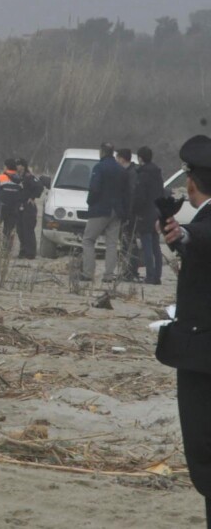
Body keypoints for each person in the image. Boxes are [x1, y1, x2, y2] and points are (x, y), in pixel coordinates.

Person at [161, 134, 211, 526]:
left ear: (192, 183)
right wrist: (183, 241)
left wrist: (187, 235)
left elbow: (205, 237)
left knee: (204, 452)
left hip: (203, 358)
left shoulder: (205, 224)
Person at [81, 142, 127, 282]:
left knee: (88, 240)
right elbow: (126, 192)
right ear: (112, 152)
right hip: (117, 211)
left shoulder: (99, 167)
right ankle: (108, 275)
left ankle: (88, 273)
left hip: (101, 209)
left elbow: (94, 188)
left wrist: (90, 202)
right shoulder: (121, 169)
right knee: (112, 244)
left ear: (102, 152)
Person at [134, 145, 164, 284]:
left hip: (146, 212)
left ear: (140, 158)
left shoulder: (143, 174)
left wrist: (136, 211)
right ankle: (157, 276)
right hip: (157, 211)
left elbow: (140, 197)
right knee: (156, 245)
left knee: (147, 246)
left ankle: (150, 276)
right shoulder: (158, 173)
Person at [115, 148, 141, 280]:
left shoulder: (131, 174)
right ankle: (129, 270)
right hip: (131, 212)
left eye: (117, 158)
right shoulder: (132, 171)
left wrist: (128, 216)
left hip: (130, 214)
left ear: (122, 159)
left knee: (129, 242)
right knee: (128, 242)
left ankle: (130, 271)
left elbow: (131, 196)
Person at [16, 158, 43, 259]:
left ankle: (30, 253)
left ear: (23, 166)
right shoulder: (18, 177)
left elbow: (39, 186)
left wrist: (32, 197)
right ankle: (23, 250)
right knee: (20, 230)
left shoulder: (29, 177)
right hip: (19, 205)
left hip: (28, 206)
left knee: (28, 229)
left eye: (18, 164)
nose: (16, 166)